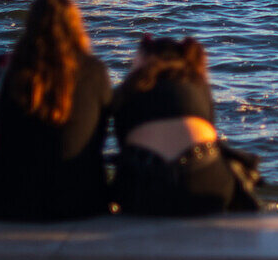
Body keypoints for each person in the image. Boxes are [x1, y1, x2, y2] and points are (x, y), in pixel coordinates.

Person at [0, 0, 111, 221]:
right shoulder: (95, 71)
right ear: (76, 27)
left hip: (7, 202)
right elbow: (100, 136)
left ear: (30, 25)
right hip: (78, 202)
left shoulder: (4, 68)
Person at [111, 35, 260, 216]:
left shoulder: (132, 86)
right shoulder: (197, 83)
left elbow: (123, 141)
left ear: (143, 58)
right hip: (203, 175)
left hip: (144, 181)